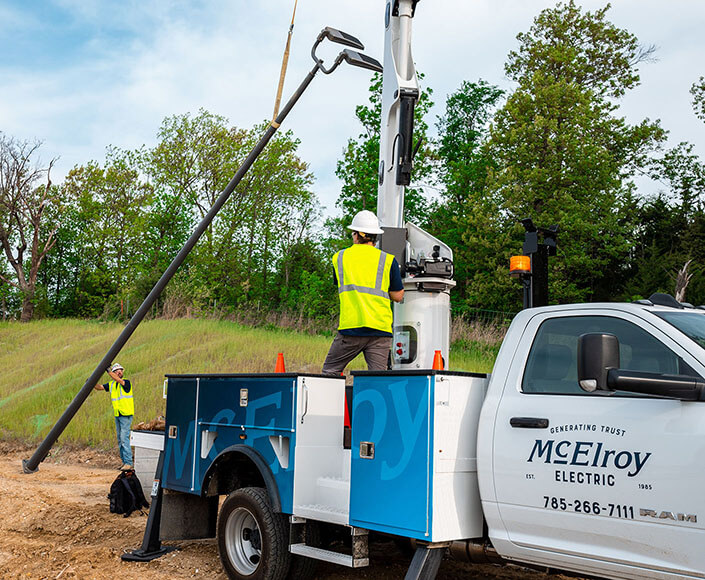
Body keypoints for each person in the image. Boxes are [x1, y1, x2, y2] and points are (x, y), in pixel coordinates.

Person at [322, 210, 404, 375]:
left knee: (330, 371)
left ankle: (332, 401)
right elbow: (398, 296)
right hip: (380, 331)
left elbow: (340, 284)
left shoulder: (339, 258)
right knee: (377, 379)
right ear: (375, 236)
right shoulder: (388, 260)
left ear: (356, 235)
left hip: (351, 329)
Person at [94, 363, 134, 470]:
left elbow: (119, 380)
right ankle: (124, 462)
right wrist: (92, 382)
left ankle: (129, 463)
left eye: (120, 370)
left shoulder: (126, 383)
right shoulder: (112, 384)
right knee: (120, 440)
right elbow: (100, 387)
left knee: (124, 438)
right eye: (117, 370)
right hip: (118, 414)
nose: (119, 372)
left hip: (126, 414)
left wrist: (108, 371)